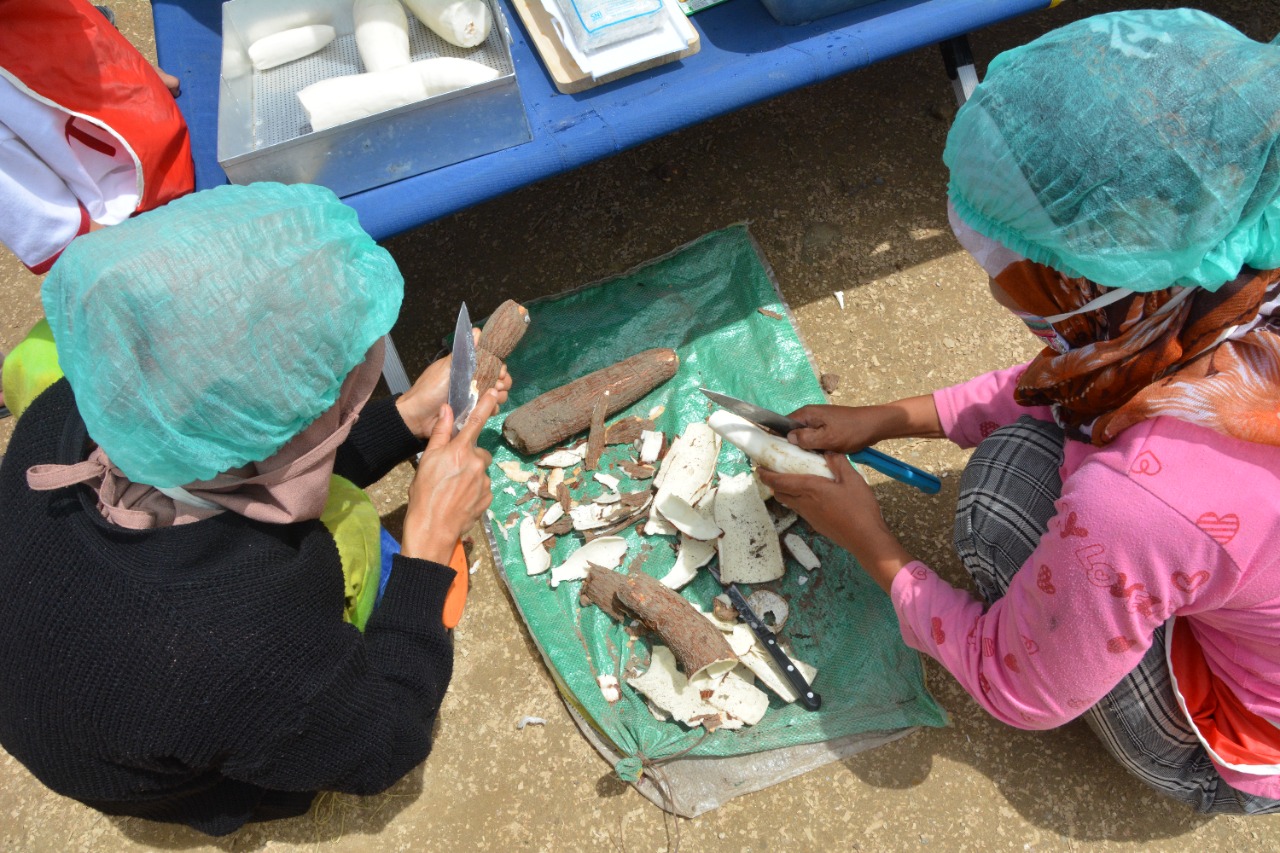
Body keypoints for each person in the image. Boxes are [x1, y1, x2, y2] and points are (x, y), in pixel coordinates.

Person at [757, 9, 1280, 814]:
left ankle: (1200, 761)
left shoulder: (1146, 499)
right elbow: (1082, 371)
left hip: (1246, 743)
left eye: (1023, 282)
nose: (1009, 302)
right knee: (1036, 447)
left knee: (995, 511)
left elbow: (1018, 687)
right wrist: (886, 419)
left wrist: (870, 540)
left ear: (1094, 288)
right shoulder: (1228, 271)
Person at [0, 182, 509, 835]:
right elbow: (385, 741)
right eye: (333, 402)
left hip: (88, 678)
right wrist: (428, 544)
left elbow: (238, 462)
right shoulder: (246, 644)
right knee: (348, 527)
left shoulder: (73, 411)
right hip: (168, 775)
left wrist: (406, 420)